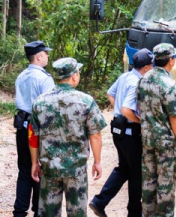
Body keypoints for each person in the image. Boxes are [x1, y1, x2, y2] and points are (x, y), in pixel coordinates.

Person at [29, 57, 107, 216]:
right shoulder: (86, 101)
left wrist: (34, 162)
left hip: (49, 169)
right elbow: (96, 135)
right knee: (77, 213)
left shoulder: (40, 102)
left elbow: (33, 136)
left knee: (48, 213)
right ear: (74, 76)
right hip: (76, 169)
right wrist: (97, 162)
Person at [89, 48, 154, 217]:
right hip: (131, 132)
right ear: (146, 67)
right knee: (136, 172)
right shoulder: (137, 82)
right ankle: (134, 212)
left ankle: (99, 201)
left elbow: (110, 94)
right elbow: (127, 109)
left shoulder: (125, 76)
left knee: (124, 168)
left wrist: (118, 110)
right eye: (151, 65)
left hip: (119, 130)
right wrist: (142, 121)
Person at [136, 43, 176, 217]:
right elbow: (174, 116)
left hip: (147, 139)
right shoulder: (168, 84)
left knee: (149, 182)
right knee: (165, 184)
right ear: (171, 60)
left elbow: (139, 106)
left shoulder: (143, 79)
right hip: (165, 142)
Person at [13, 40, 55, 217]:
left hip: (22, 126)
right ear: (39, 56)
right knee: (40, 169)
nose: (47, 56)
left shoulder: (21, 76)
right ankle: (39, 210)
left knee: (24, 169)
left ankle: (20, 211)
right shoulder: (44, 79)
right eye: (46, 53)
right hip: (38, 129)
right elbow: (50, 107)